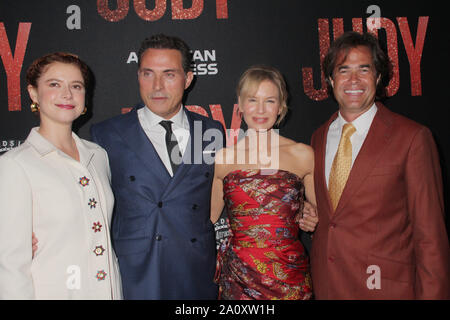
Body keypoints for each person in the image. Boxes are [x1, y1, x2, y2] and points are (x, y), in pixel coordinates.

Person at [310, 31, 450, 299]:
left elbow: (430, 238)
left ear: (377, 77)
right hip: (328, 288)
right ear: (330, 79)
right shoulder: (318, 137)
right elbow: (333, 215)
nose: (353, 80)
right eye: (343, 70)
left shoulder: (412, 138)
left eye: (364, 69)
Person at [90, 34, 224, 299]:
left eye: (169, 74)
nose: (157, 86)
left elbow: (225, 194)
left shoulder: (210, 130)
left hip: (196, 272)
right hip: (136, 274)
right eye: (148, 74)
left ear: (188, 79)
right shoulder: (107, 135)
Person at [0, 52, 122, 299]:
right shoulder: (16, 165)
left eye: (76, 86)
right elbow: (11, 266)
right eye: (54, 84)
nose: (67, 94)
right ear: (34, 93)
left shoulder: (98, 156)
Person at [211, 65, 318, 300]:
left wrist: (310, 214)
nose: (260, 110)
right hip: (240, 279)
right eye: (252, 100)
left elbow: (323, 216)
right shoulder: (224, 158)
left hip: (290, 278)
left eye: (269, 101)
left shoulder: (303, 154)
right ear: (240, 103)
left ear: (280, 106)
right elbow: (209, 221)